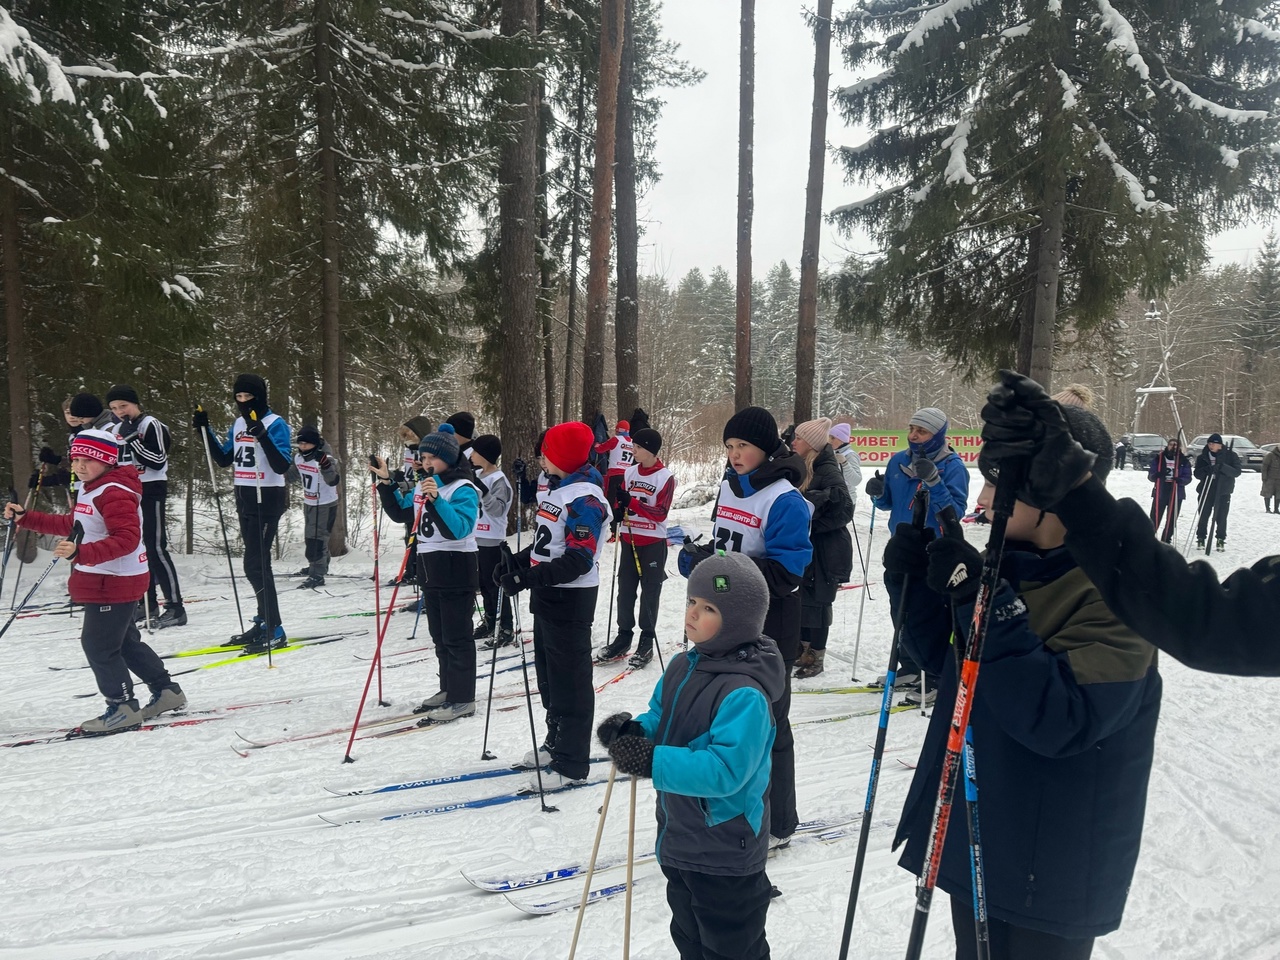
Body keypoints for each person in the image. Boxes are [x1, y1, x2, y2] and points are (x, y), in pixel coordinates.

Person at [886, 404, 1160, 960]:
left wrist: (987, 606)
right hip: (979, 827)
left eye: (997, 484)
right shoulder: (1008, 560)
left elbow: (1063, 720)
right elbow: (947, 670)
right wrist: (912, 583)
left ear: (1051, 492)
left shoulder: (1118, 586)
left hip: (1052, 861)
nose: (982, 501)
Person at [979, 370, 1280, 677]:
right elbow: (1217, 621)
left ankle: (1209, 534)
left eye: (994, 486)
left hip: (1201, 496)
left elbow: (1217, 628)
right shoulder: (999, 563)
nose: (982, 499)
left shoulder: (1097, 601)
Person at [597, 551, 783, 960]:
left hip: (726, 850)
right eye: (691, 602)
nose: (694, 614)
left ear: (735, 621)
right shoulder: (683, 666)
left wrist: (651, 761)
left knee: (733, 948)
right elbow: (661, 718)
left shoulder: (745, 695)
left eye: (710, 608)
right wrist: (634, 732)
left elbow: (724, 771)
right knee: (690, 937)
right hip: (680, 838)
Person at [680, 405, 811, 844]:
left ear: (767, 448)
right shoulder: (730, 486)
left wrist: (720, 571)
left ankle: (779, 822)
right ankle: (730, 809)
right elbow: (724, 549)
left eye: (744, 447)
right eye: (730, 447)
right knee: (723, 720)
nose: (736, 455)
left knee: (769, 723)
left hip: (770, 623)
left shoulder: (785, 500)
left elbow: (787, 575)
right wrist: (701, 562)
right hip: (726, 621)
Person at [4, 430, 187, 732]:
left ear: (106, 460)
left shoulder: (114, 491)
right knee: (125, 642)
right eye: (76, 458)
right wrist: (26, 518)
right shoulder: (93, 487)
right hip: (106, 577)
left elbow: (128, 539)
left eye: (88, 459)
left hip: (115, 579)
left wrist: (81, 552)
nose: (80, 465)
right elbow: (73, 523)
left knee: (98, 645)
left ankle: (122, 706)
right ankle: (168, 692)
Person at [496, 421, 608, 788]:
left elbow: (579, 560)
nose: (541, 458)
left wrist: (527, 578)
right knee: (549, 678)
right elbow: (548, 545)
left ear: (562, 456)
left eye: (546, 453)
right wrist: (518, 563)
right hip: (548, 595)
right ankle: (555, 742)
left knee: (571, 682)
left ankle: (572, 763)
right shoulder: (561, 489)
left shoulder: (586, 499)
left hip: (570, 598)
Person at [373, 424, 480, 722]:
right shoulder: (425, 485)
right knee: (440, 636)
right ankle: (448, 689)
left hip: (456, 567)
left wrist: (436, 501)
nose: (427, 463)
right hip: (431, 568)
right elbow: (402, 513)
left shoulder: (463, 488)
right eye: (423, 457)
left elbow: (459, 529)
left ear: (449, 458)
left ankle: (463, 698)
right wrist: (385, 483)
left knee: (458, 637)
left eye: (433, 458)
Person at [864, 406, 969, 705]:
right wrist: (878, 493)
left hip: (932, 551)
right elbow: (889, 504)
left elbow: (955, 513)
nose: (913, 436)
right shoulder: (899, 461)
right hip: (900, 550)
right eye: (911, 429)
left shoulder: (953, 467)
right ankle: (910, 666)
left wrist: (935, 481)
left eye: (921, 431)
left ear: (938, 435)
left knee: (928, 615)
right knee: (901, 612)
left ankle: (936, 674)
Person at [194, 373, 292, 652]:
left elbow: (282, 465)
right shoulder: (238, 423)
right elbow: (225, 458)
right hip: (245, 495)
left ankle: (275, 627)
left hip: (267, 496)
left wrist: (261, 434)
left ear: (260, 396)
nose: (243, 402)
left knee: (256, 564)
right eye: (238, 397)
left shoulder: (276, 423)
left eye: (249, 397)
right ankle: (264, 621)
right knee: (253, 564)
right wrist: (205, 432)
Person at [103, 385, 186, 628]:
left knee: (155, 548)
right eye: (115, 408)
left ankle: (175, 606)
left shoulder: (151, 424)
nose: (120, 412)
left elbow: (159, 461)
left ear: (135, 404)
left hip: (151, 488)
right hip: (127, 491)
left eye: (124, 406)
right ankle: (145, 603)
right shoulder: (115, 428)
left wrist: (132, 440)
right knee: (133, 548)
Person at [595, 427, 675, 668]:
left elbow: (660, 514)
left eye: (638, 448)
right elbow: (624, 500)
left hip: (652, 542)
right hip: (630, 539)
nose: (633, 451)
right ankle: (624, 636)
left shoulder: (665, 477)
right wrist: (620, 510)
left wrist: (634, 505)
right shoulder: (629, 472)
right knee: (625, 589)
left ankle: (646, 640)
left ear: (650, 450)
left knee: (650, 592)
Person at [790, 418, 853, 680]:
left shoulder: (827, 467)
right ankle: (802, 649)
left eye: (798, 438)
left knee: (819, 601)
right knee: (803, 598)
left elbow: (845, 509)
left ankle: (817, 654)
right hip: (808, 545)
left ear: (812, 444)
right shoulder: (803, 465)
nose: (793, 442)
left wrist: (814, 517)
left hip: (827, 549)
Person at [469, 434, 515, 647]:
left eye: (476, 451)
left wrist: (484, 492)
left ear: (485, 456)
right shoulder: (477, 473)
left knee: (495, 584)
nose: (472, 454)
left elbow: (497, 510)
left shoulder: (499, 480)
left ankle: (505, 626)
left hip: (492, 539)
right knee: (483, 584)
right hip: (475, 537)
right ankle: (489, 620)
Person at [288, 425, 340, 589]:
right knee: (311, 537)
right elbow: (290, 476)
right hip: (309, 502)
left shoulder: (325, 458)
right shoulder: (299, 458)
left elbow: (333, 480)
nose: (303, 447)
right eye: (300, 443)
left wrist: (325, 465)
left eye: (307, 444)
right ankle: (318, 565)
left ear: (315, 444)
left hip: (325, 504)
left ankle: (317, 574)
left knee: (316, 540)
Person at [1193, 433, 1242, 551]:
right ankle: (1201, 538)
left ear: (1220, 445)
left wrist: (1222, 467)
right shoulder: (1203, 457)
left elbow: (1236, 472)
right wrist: (1207, 470)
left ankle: (1220, 539)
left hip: (1223, 490)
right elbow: (1197, 474)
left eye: (1213, 444)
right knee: (1203, 515)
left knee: (1221, 517)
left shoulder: (1230, 456)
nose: (1211, 446)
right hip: (1207, 489)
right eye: (1209, 443)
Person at [594, 419, 634, 540]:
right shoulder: (633, 442)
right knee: (623, 502)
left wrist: (596, 444)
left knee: (611, 502)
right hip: (627, 476)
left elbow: (600, 449)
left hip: (614, 474)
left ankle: (612, 531)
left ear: (618, 430)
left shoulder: (616, 440)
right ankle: (621, 529)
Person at [1147, 437, 1190, 543]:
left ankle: (1166, 538)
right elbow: (1151, 475)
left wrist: (1180, 480)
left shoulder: (1183, 460)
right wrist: (1156, 475)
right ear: (1167, 446)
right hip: (1162, 489)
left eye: (1176, 445)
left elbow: (1188, 477)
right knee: (1155, 516)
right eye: (1171, 444)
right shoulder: (1160, 458)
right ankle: (1149, 537)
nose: (1173, 447)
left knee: (1171, 518)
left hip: (1176, 491)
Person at [829, 422, 863, 513]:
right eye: (829, 437)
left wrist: (844, 463)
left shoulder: (850, 455)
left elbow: (856, 480)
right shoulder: (834, 453)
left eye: (833, 438)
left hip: (846, 500)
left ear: (841, 440)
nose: (829, 440)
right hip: (834, 499)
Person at [1261, 443, 1280, 514]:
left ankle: (1276, 509)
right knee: (1267, 493)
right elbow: (1264, 467)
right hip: (1270, 478)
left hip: (1279, 479)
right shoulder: (1270, 455)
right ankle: (1267, 508)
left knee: (1278, 494)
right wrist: (1264, 477)